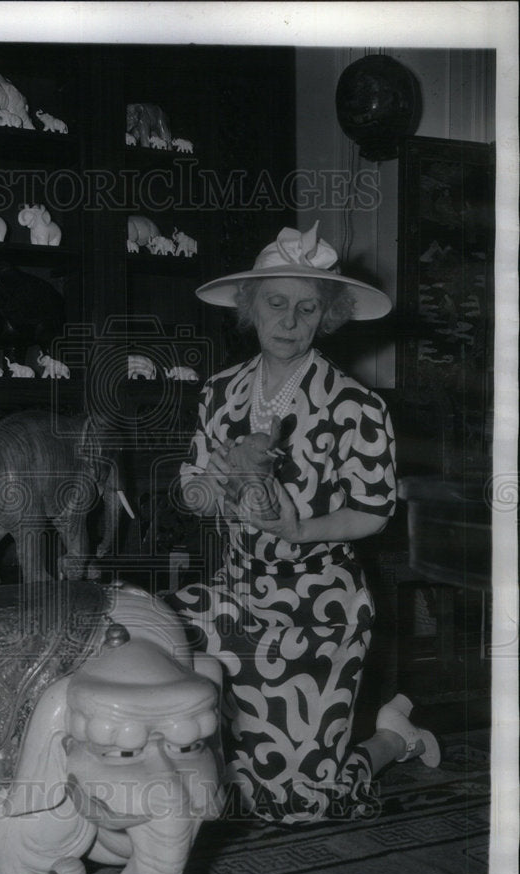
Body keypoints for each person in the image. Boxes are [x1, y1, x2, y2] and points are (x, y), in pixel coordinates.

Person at [166, 222, 440, 825]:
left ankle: (391, 737)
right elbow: (191, 489)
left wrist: (298, 531)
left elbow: (374, 512)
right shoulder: (219, 393)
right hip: (236, 593)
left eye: (307, 307)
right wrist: (208, 487)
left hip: (320, 607)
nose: (289, 320)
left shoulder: (356, 406)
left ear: (327, 316)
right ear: (250, 307)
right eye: (276, 302)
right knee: (151, 634)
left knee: (298, 807)